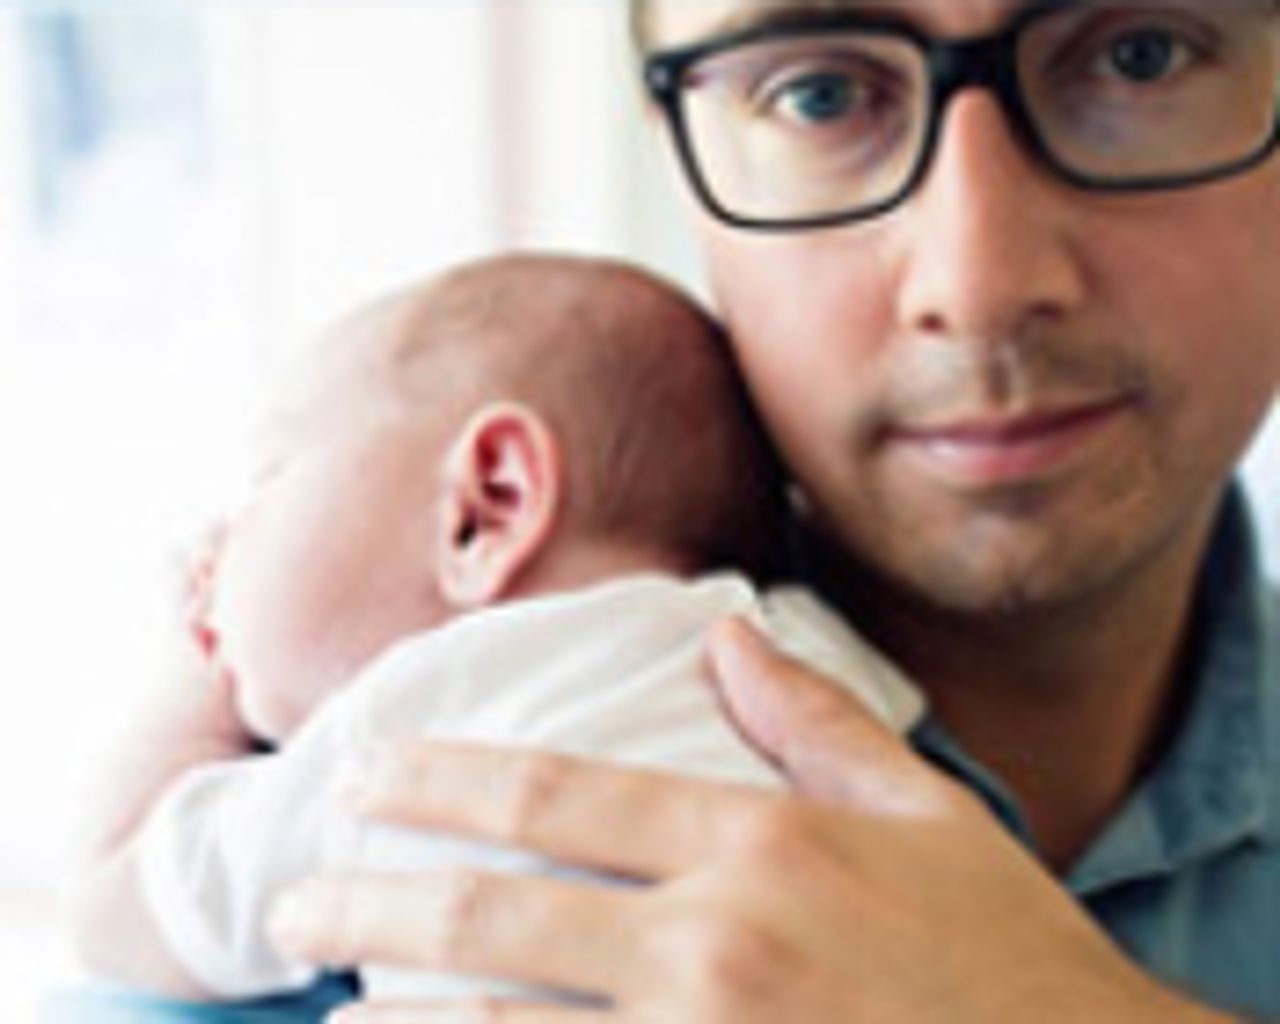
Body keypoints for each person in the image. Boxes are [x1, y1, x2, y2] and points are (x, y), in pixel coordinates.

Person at [256, 2, 1280, 1023]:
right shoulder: (347, 837)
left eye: (1139, 58)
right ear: (677, 159)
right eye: (817, 96)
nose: (978, 283)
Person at [66, 255, 921, 1014]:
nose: (212, 544)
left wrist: (196, 678)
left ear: (487, 507)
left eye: (269, 477)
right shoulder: (815, 665)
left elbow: (115, 906)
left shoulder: (402, 734)